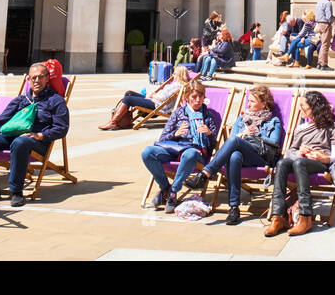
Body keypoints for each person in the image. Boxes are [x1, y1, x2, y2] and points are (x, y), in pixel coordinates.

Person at [184, 84, 283, 225]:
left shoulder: (273, 121)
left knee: (235, 142)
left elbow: (274, 142)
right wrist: (243, 134)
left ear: (264, 103)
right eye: (248, 100)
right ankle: (234, 208)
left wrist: (256, 135)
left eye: (253, 101)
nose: (248, 104)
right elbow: (232, 139)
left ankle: (205, 174)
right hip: (242, 156)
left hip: (261, 157)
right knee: (234, 155)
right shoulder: (241, 119)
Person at [0, 62, 70, 208]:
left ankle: (16, 191)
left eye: (40, 77)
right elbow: (2, 119)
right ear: (28, 80)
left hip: (36, 141)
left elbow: (62, 128)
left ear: (47, 78)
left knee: (20, 142)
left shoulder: (55, 101)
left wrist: (40, 135)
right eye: (33, 78)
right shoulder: (21, 99)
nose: (37, 81)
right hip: (11, 136)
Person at [265, 91, 335, 238]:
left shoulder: (331, 128)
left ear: (313, 108)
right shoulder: (301, 129)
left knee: (299, 163)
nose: (299, 109)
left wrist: (323, 157)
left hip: (320, 164)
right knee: (282, 163)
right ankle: (277, 217)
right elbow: (291, 151)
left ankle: (305, 217)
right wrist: (300, 152)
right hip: (301, 161)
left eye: (302, 106)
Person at [139, 79, 221, 213]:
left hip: (195, 153)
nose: (198, 100)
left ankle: (173, 191)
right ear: (186, 97)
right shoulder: (178, 113)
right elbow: (163, 138)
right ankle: (165, 187)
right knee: (147, 152)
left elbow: (213, 145)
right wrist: (176, 134)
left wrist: (209, 133)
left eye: (201, 97)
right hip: (174, 149)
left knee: (191, 153)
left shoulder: (208, 116)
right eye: (194, 97)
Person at [100, 66, 190, 130]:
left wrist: (152, 95)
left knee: (128, 99)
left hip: (156, 105)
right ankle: (124, 120)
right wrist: (152, 95)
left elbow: (163, 98)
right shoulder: (175, 84)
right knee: (129, 93)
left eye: (175, 73)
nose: (173, 75)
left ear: (179, 75)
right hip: (153, 101)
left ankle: (113, 122)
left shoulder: (177, 86)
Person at [314, 0, 335, 69]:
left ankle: (319, 63)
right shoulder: (328, 3)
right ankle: (323, 64)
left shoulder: (319, 2)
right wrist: (334, 20)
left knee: (323, 44)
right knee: (325, 45)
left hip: (319, 24)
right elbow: (328, 16)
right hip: (325, 24)